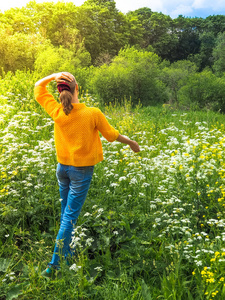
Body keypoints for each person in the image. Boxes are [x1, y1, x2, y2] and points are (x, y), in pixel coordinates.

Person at [34, 72, 140, 277]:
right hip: (80, 172)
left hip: (62, 169)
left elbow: (38, 87)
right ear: (77, 89)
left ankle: (68, 254)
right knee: (70, 216)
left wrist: (55, 75)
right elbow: (111, 135)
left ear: (60, 91)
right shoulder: (92, 113)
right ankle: (54, 266)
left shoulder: (57, 111)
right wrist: (131, 143)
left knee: (66, 212)